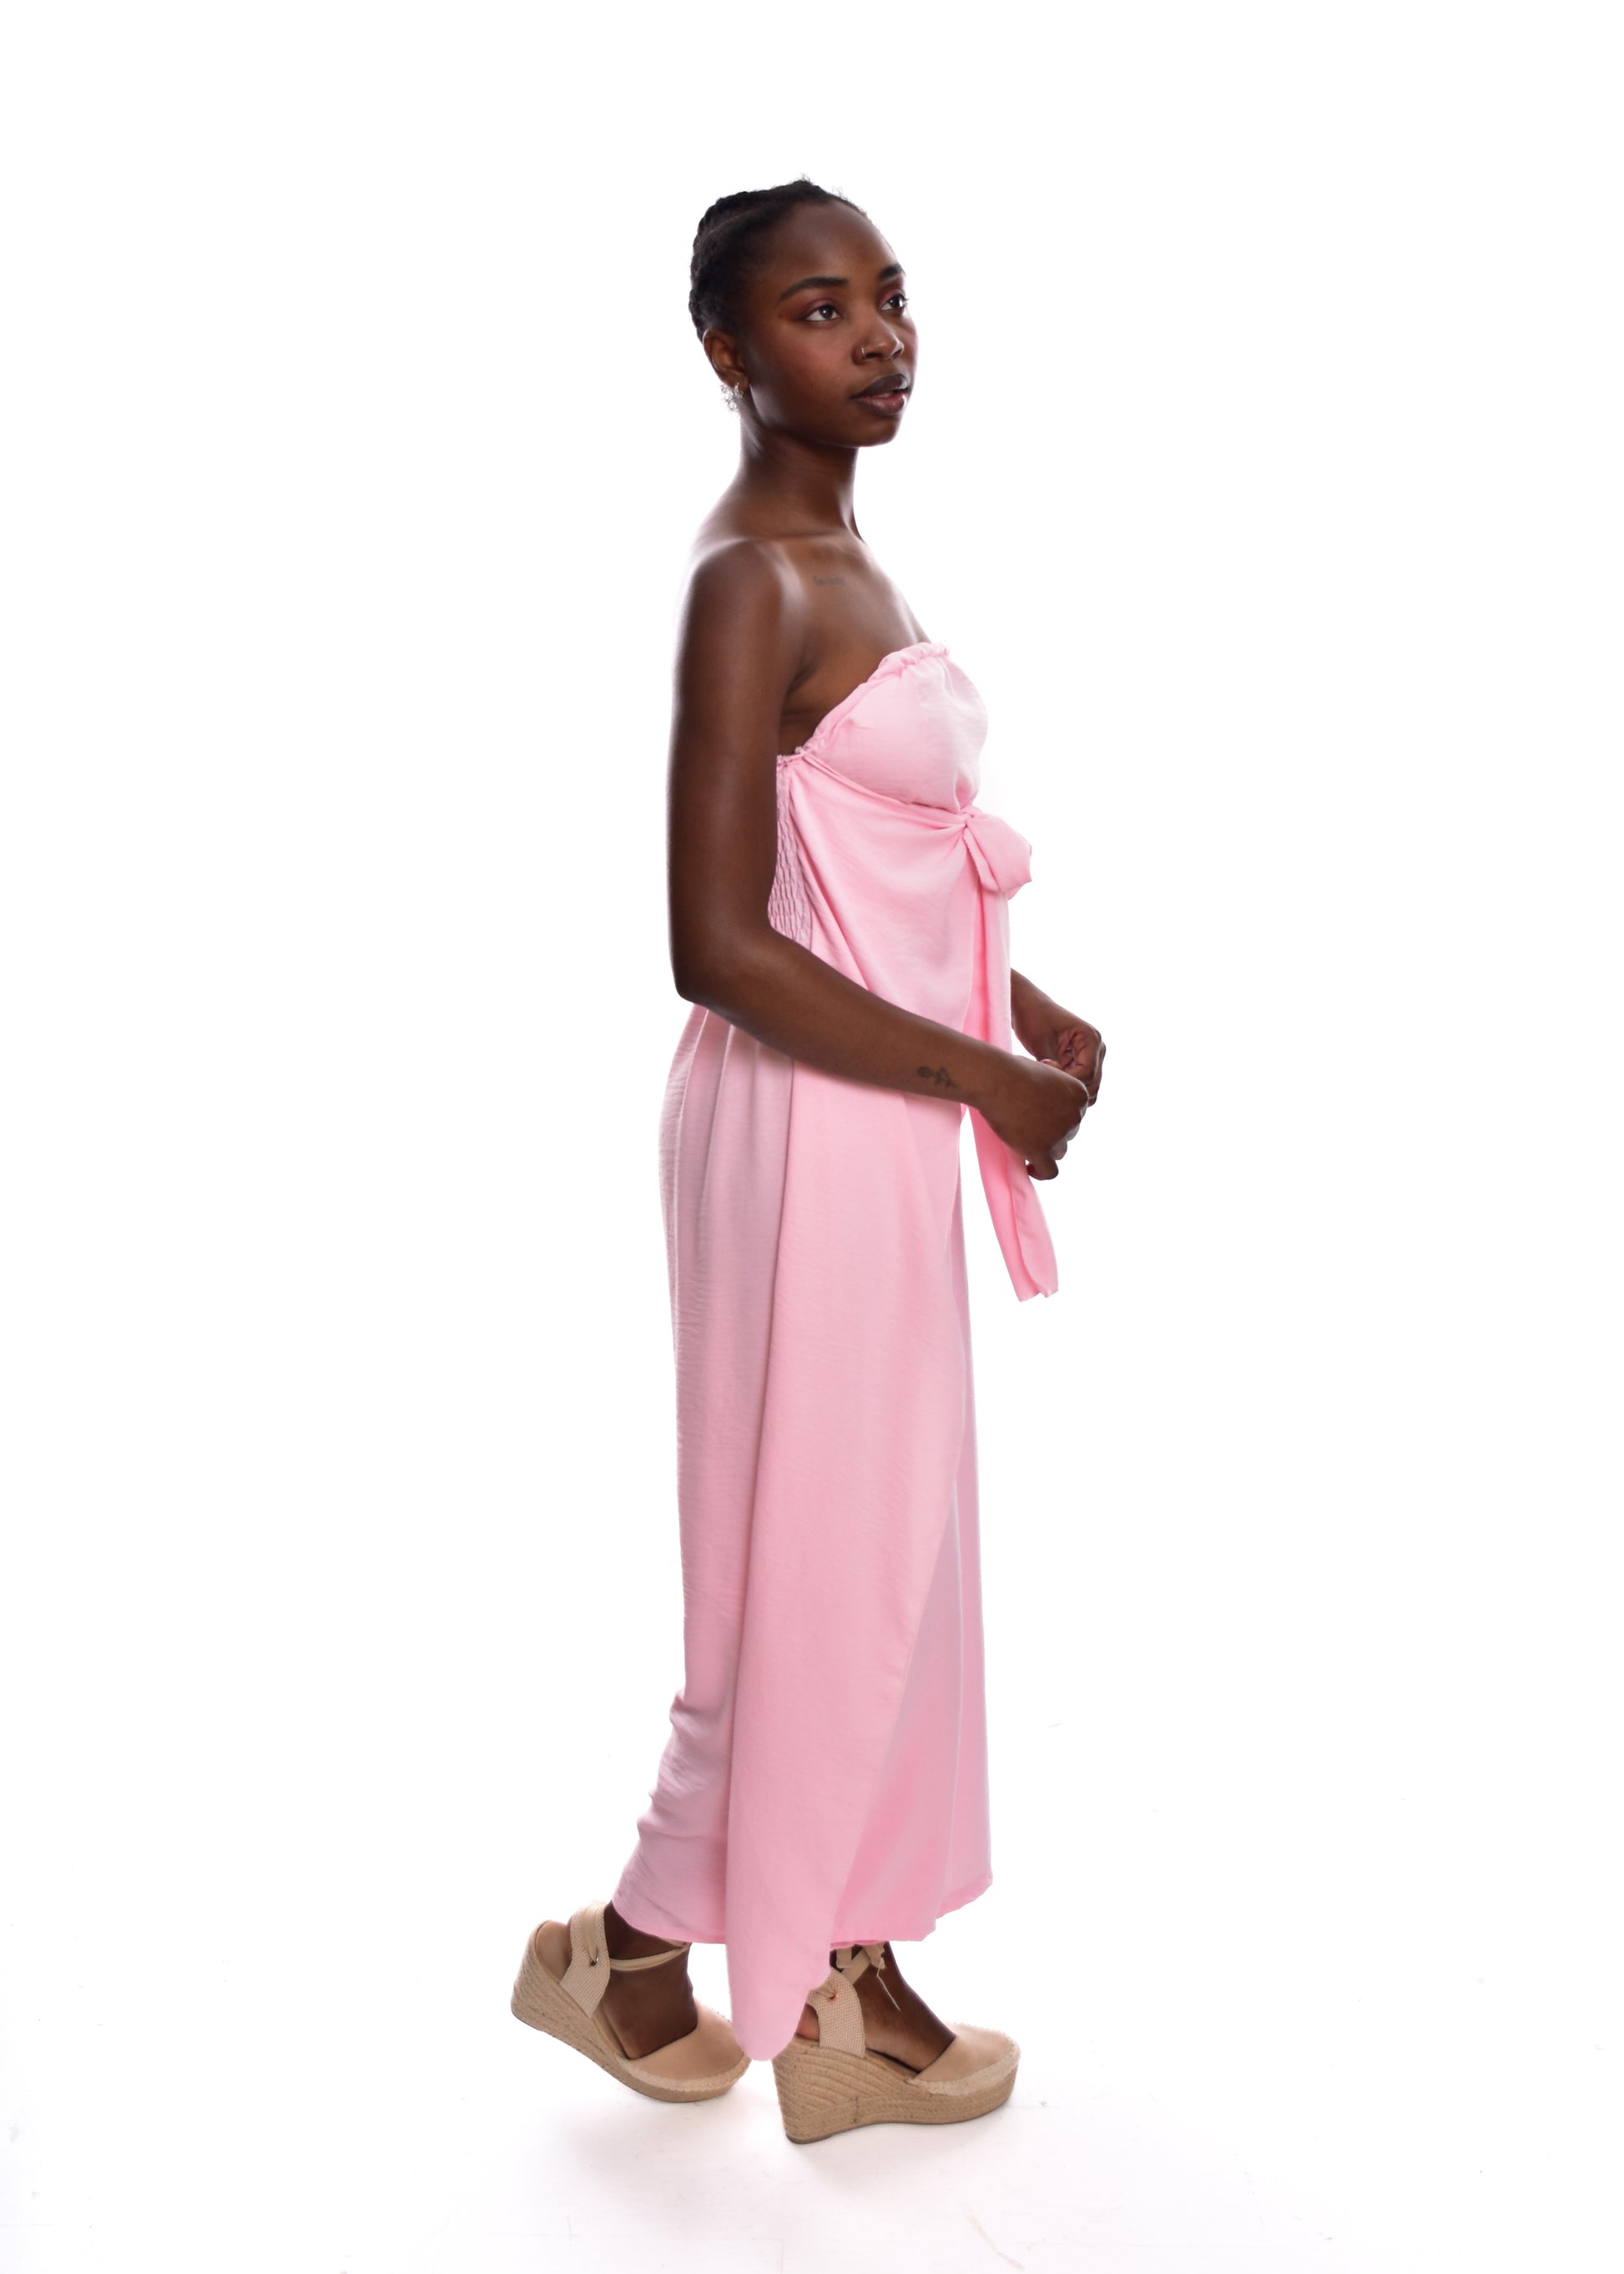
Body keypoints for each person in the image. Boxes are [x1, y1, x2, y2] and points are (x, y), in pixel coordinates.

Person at [510, 179, 1105, 2144]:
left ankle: (735, 1967)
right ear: (726, 350)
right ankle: (745, 1968)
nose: (878, 337)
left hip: (871, 1102)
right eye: (820, 308)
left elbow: (855, 873)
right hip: (795, 1124)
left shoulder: (849, 553)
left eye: (890, 299)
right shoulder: (751, 578)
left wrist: (1016, 1010)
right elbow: (716, 942)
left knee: (873, 1551)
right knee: (820, 1562)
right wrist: (980, 1072)